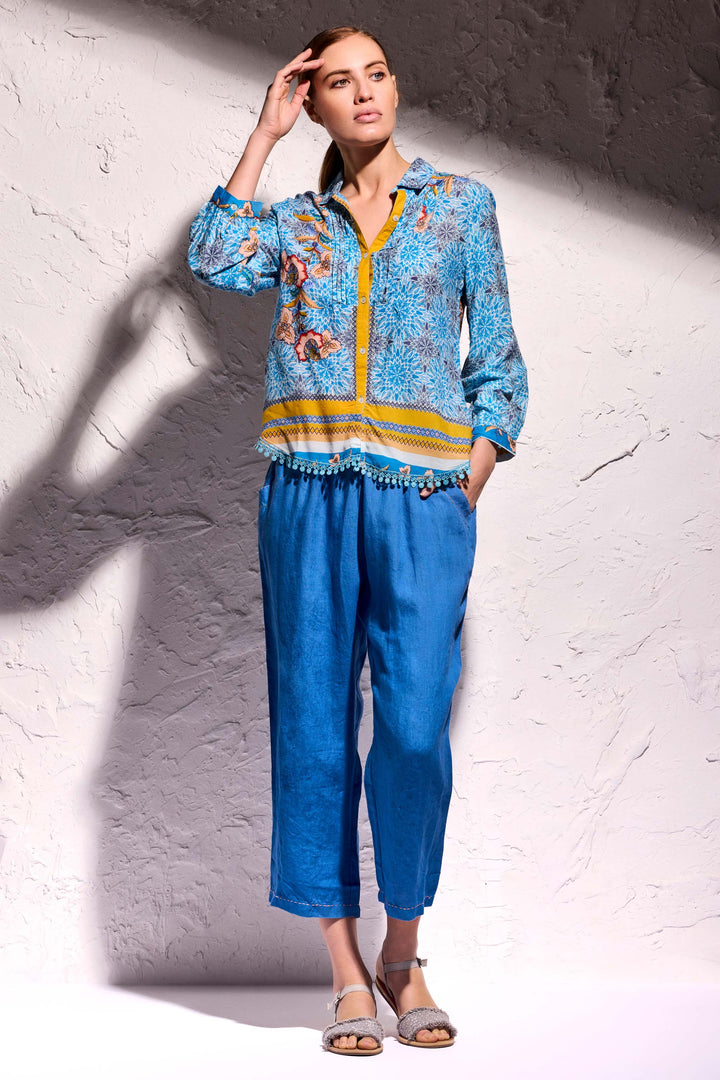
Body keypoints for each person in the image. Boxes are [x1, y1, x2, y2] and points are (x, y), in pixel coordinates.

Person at [187, 24, 529, 1058]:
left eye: (376, 72)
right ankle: (344, 970)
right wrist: (264, 131)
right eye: (339, 82)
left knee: (416, 727)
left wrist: (468, 477)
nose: (366, 91)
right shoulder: (295, 224)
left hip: (424, 500)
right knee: (313, 726)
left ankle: (402, 951)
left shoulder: (461, 207)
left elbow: (499, 363)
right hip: (308, 493)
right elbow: (213, 255)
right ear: (317, 104)